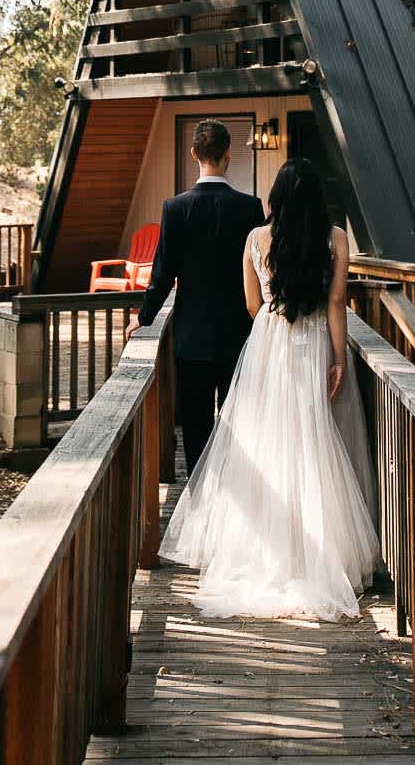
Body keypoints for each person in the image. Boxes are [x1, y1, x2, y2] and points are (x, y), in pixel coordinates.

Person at [160, 156, 379, 620]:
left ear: (276, 197)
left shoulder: (257, 238)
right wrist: (338, 358)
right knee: (312, 438)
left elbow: (252, 302)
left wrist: (274, 331)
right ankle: (318, 554)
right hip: (315, 340)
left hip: (271, 341)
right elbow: (337, 301)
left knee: (266, 441)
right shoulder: (335, 238)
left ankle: (260, 550)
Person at [127, 119, 264, 475]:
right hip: (240, 333)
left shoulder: (175, 208)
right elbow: (262, 271)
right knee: (240, 415)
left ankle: (200, 488)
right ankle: (240, 480)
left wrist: (143, 318)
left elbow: (162, 273)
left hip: (192, 335)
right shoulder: (250, 208)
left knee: (196, 422)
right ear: (228, 154)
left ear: (193, 154)